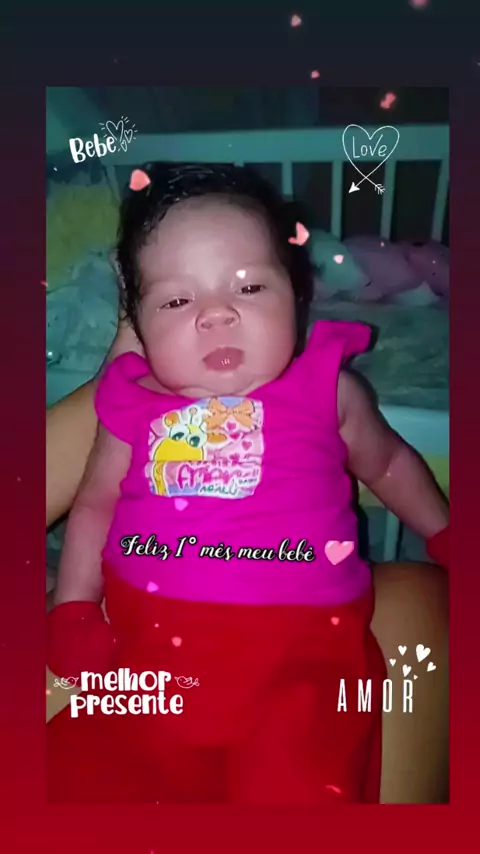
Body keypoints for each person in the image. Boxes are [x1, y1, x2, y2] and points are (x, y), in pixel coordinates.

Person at [46, 163, 449, 804]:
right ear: (138, 328)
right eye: (176, 301)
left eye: (250, 286)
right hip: (148, 653)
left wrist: (445, 532)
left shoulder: (327, 391)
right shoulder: (132, 405)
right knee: (94, 777)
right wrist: (73, 607)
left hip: (302, 656)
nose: (217, 315)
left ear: (298, 296)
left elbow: (390, 464)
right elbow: (94, 505)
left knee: (296, 781)